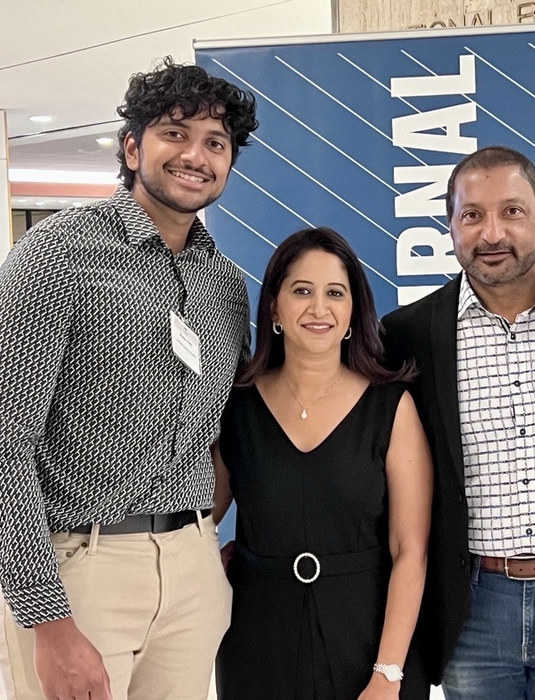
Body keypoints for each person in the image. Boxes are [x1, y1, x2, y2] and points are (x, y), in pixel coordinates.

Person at [0, 57, 258, 700]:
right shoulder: (58, 253)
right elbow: (1, 447)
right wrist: (47, 617)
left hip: (190, 567)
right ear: (132, 148)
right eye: (175, 134)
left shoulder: (224, 283)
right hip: (80, 565)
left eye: (215, 143)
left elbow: (220, 434)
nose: (196, 156)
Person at [381, 145, 535, 699]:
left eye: (511, 212)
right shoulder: (405, 337)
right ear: (451, 227)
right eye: (472, 215)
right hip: (472, 608)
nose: (491, 233)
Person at [213, 227, 433, 699]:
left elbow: (410, 551)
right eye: (301, 291)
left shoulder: (391, 406)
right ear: (274, 307)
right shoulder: (236, 406)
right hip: (258, 642)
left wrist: (387, 674)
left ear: (353, 310)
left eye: (335, 293)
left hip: (369, 642)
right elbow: (199, 516)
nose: (319, 308)